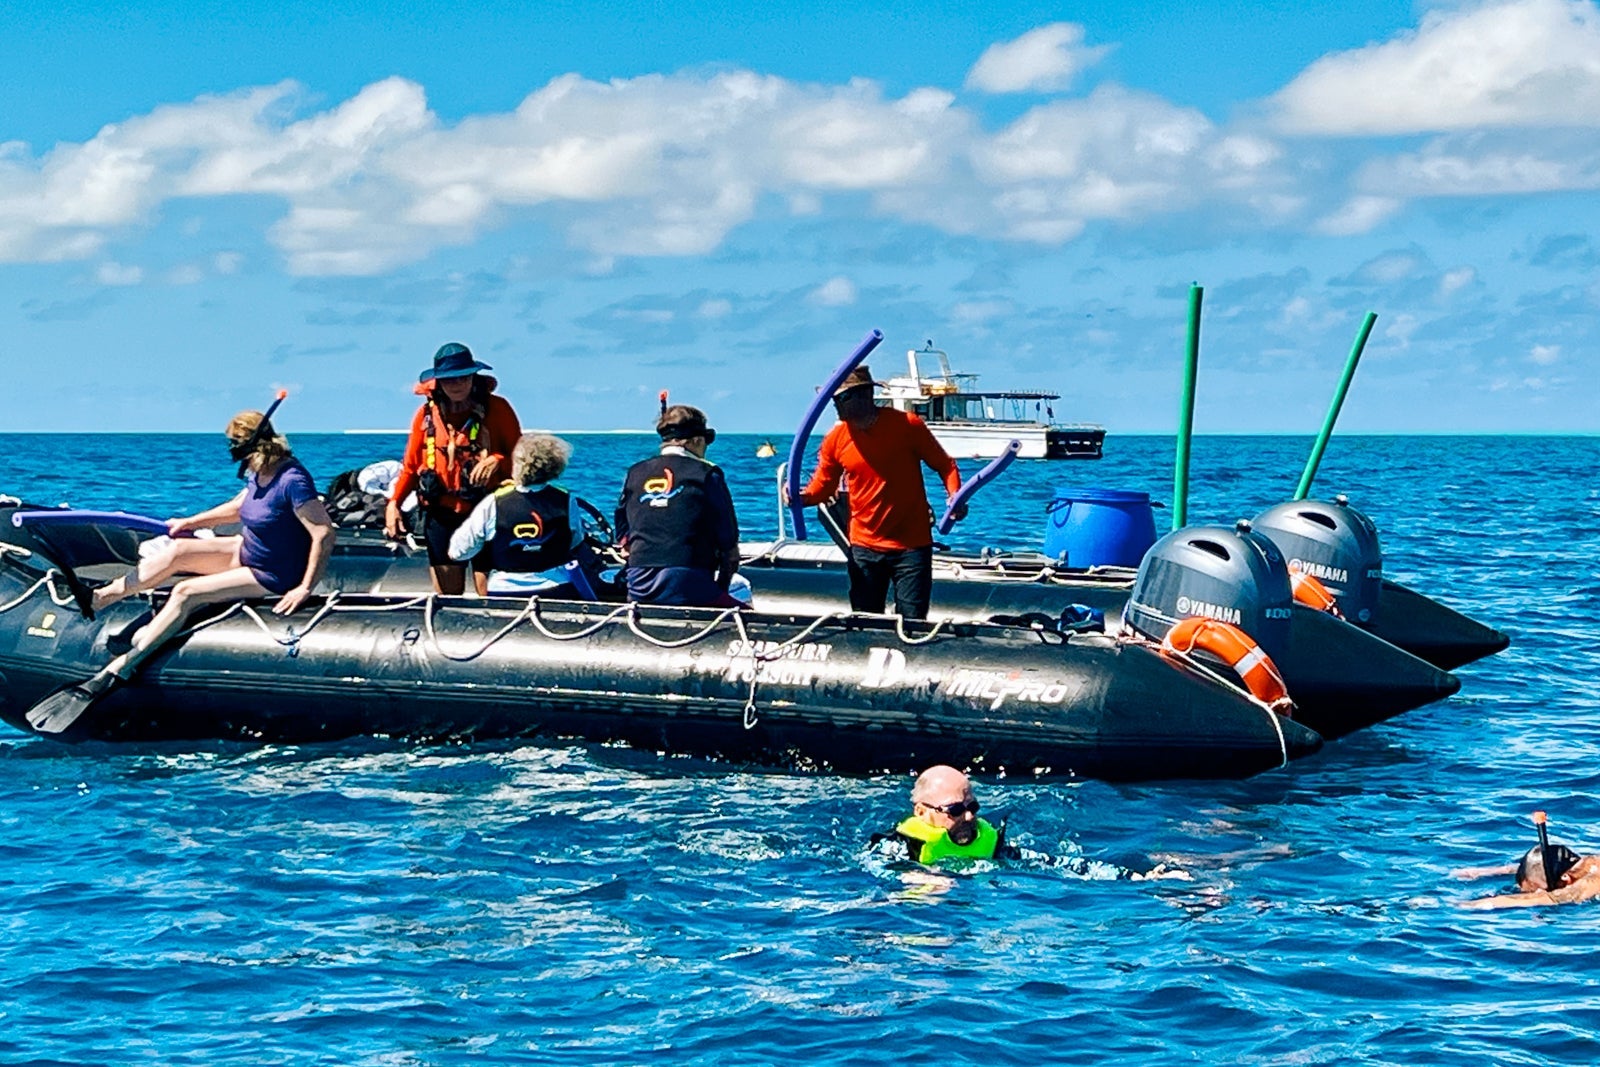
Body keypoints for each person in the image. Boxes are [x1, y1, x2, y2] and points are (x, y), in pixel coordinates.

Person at [91, 409, 336, 680]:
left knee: (186, 591)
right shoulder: (258, 471)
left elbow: (323, 533)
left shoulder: (292, 480)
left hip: (272, 573)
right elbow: (238, 508)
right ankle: (102, 598)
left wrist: (305, 588)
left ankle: (126, 664)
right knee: (177, 551)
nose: (231, 448)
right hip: (247, 551)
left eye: (234, 441)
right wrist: (190, 523)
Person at [787, 365, 962, 620]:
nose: (835, 404)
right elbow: (822, 488)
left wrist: (954, 496)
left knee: (912, 620)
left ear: (866, 396)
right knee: (865, 620)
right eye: (832, 399)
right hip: (864, 547)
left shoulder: (906, 425)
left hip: (911, 545)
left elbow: (945, 465)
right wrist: (799, 498)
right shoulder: (835, 439)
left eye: (842, 397)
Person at [384, 342, 522, 595]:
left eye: (463, 377)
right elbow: (412, 466)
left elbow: (522, 459)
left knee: (490, 593)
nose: (456, 385)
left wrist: (498, 459)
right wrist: (394, 503)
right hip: (442, 513)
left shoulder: (499, 409)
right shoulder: (425, 415)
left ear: (473, 377)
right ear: (438, 382)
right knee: (448, 596)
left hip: (488, 511)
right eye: (449, 380)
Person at [615, 404, 742, 608]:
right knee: (744, 610)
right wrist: (721, 587)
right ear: (697, 441)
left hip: (639, 582)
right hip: (687, 580)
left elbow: (622, 528)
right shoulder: (708, 474)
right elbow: (728, 539)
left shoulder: (635, 472)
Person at [447, 433, 602, 597]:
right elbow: (575, 540)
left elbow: (458, 551)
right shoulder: (566, 500)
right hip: (557, 588)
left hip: (505, 591)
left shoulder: (494, 502)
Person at [880, 765, 1010, 865]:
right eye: (955, 810)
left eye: (972, 806)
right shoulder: (900, 845)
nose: (969, 816)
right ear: (921, 812)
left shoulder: (994, 841)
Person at [1460, 816, 1600, 909]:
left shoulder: (1588, 884)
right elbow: (1538, 867)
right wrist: (1484, 872)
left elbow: (1546, 898)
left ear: (1566, 879)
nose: (1538, 892)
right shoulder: (1586, 864)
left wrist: (1466, 905)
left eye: (1539, 888)